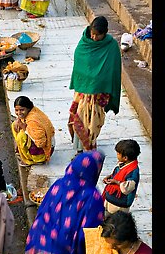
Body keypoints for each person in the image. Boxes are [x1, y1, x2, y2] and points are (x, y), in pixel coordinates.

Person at [24, 150, 106, 254]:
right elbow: (90, 235)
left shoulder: (58, 185)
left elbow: (43, 213)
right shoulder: (93, 197)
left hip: (41, 246)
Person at [68, 15, 121, 153]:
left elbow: (113, 70)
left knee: (93, 123)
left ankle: (89, 146)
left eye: (98, 35)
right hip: (83, 92)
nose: (94, 37)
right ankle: (80, 148)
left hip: (98, 93)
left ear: (105, 33)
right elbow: (79, 60)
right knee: (79, 118)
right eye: (92, 33)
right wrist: (89, 77)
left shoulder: (111, 46)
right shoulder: (85, 41)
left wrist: (98, 80)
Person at [11, 95, 56, 167]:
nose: (19, 113)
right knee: (14, 124)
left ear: (28, 108)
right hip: (46, 144)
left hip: (44, 152)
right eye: (16, 110)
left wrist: (23, 127)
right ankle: (22, 151)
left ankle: (32, 159)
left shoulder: (33, 120)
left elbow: (41, 143)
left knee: (21, 136)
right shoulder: (32, 111)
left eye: (22, 110)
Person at [102, 139, 141, 215]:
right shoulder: (122, 164)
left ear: (125, 157)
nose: (117, 155)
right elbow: (116, 174)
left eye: (118, 154)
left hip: (119, 206)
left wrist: (116, 182)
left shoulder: (133, 171)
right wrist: (110, 177)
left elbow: (127, 188)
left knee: (116, 224)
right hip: (110, 201)